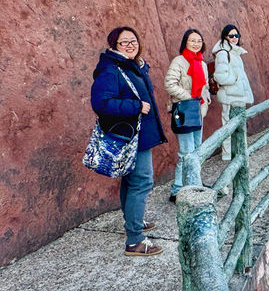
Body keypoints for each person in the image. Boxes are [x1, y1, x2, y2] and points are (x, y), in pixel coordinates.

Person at [91, 26, 167, 257]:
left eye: (133, 41)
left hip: (139, 134)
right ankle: (134, 240)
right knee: (142, 182)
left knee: (130, 180)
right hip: (132, 136)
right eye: (124, 43)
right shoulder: (111, 70)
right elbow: (101, 103)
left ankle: (133, 222)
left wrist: (142, 68)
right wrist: (135, 106)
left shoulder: (129, 66)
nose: (131, 45)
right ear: (114, 46)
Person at [164, 29, 211, 203]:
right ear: (185, 42)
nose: (196, 43)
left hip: (198, 111)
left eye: (199, 40)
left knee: (198, 150)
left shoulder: (202, 63)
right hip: (184, 110)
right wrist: (189, 97)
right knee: (186, 152)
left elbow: (204, 87)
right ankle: (177, 189)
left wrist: (204, 101)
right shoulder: (180, 61)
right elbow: (169, 84)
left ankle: (194, 183)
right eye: (192, 40)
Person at [212, 24, 254, 163]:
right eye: (231, 35)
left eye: (236, 35)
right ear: (225, 36)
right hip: (230, 96)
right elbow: (220, 76)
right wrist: (235, 80)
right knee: (228, 126)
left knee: (237, 125)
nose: (235, 38)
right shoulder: (224, 53)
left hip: (237, 95)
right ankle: (227, 155)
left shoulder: (234, 52)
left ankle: (237, 153)